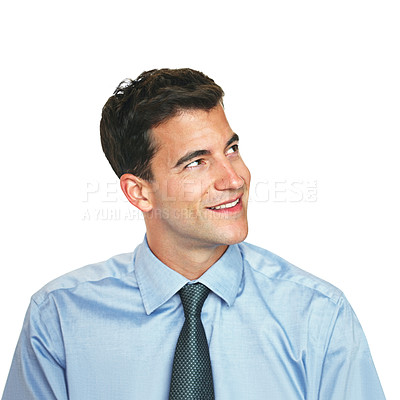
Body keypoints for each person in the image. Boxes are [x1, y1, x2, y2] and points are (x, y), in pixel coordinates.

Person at [2, 68, 385, 399]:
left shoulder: (318, 315)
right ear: (140, 192)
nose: (234, 179)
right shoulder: (59, 318)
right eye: (197, 162)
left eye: (231, 149)